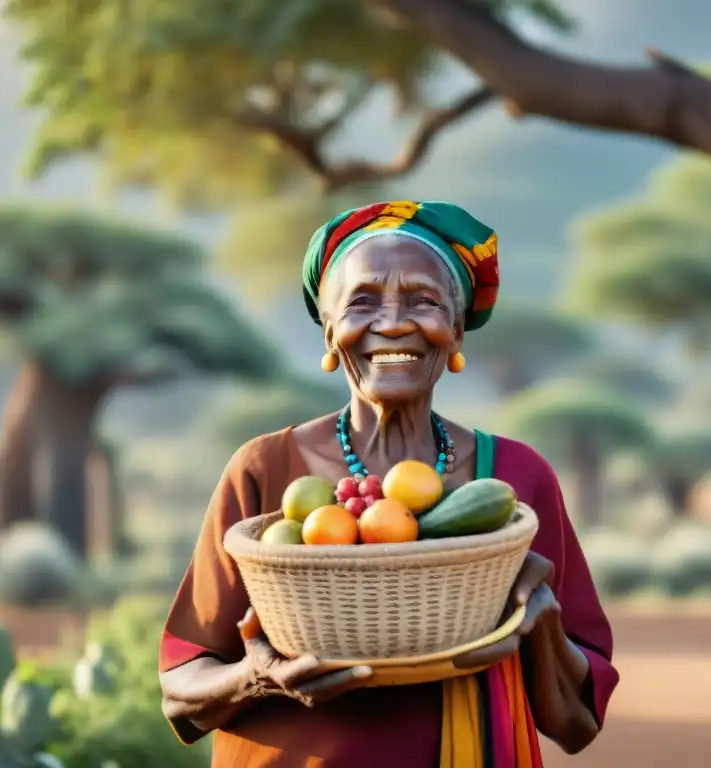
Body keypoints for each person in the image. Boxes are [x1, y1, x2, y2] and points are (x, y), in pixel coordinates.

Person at [159, 200, 619, 767]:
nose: (394, 321)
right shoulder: (262, 469)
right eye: (362, 301)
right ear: (331, 333)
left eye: (424, 301)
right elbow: (181, 693)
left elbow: (577, 723)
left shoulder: (515, 479)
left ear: (455, 332)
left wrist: (539, 620)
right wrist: (259, 678)